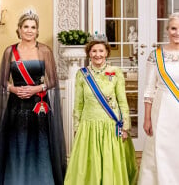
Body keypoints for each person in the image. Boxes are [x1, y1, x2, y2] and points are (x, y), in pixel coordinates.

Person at [0, 9, 66, 185]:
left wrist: (36, 89)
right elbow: (3, 80)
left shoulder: (44, 51)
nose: (29, 30)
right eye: (25, 26)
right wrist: (13, 89)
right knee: (16, 142)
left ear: (37, 30)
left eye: (33, 27)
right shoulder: (10, 51)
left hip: (39, 104)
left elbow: (52, 80)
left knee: (40, 142)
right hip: (16, 105)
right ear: (19, 29)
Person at [64, 33, 138, 185]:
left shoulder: (116, 72)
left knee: (110, 163)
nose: (97, 54)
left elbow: (122, 102)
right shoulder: (82, 74)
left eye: (101, 51)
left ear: (106, 53)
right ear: (89, 54)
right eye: (94, 51)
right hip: (89, 126)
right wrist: (77, 127)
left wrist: (125, 127)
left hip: (110, 126)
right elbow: (78, 104)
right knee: (90, 162)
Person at [138, 12, 179, 184]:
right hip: (162, 110)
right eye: (173, 28)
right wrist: (147, 118)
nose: (176, 32)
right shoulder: (156, 55)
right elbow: (149, 89)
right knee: (160, 149)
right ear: (167, 30)